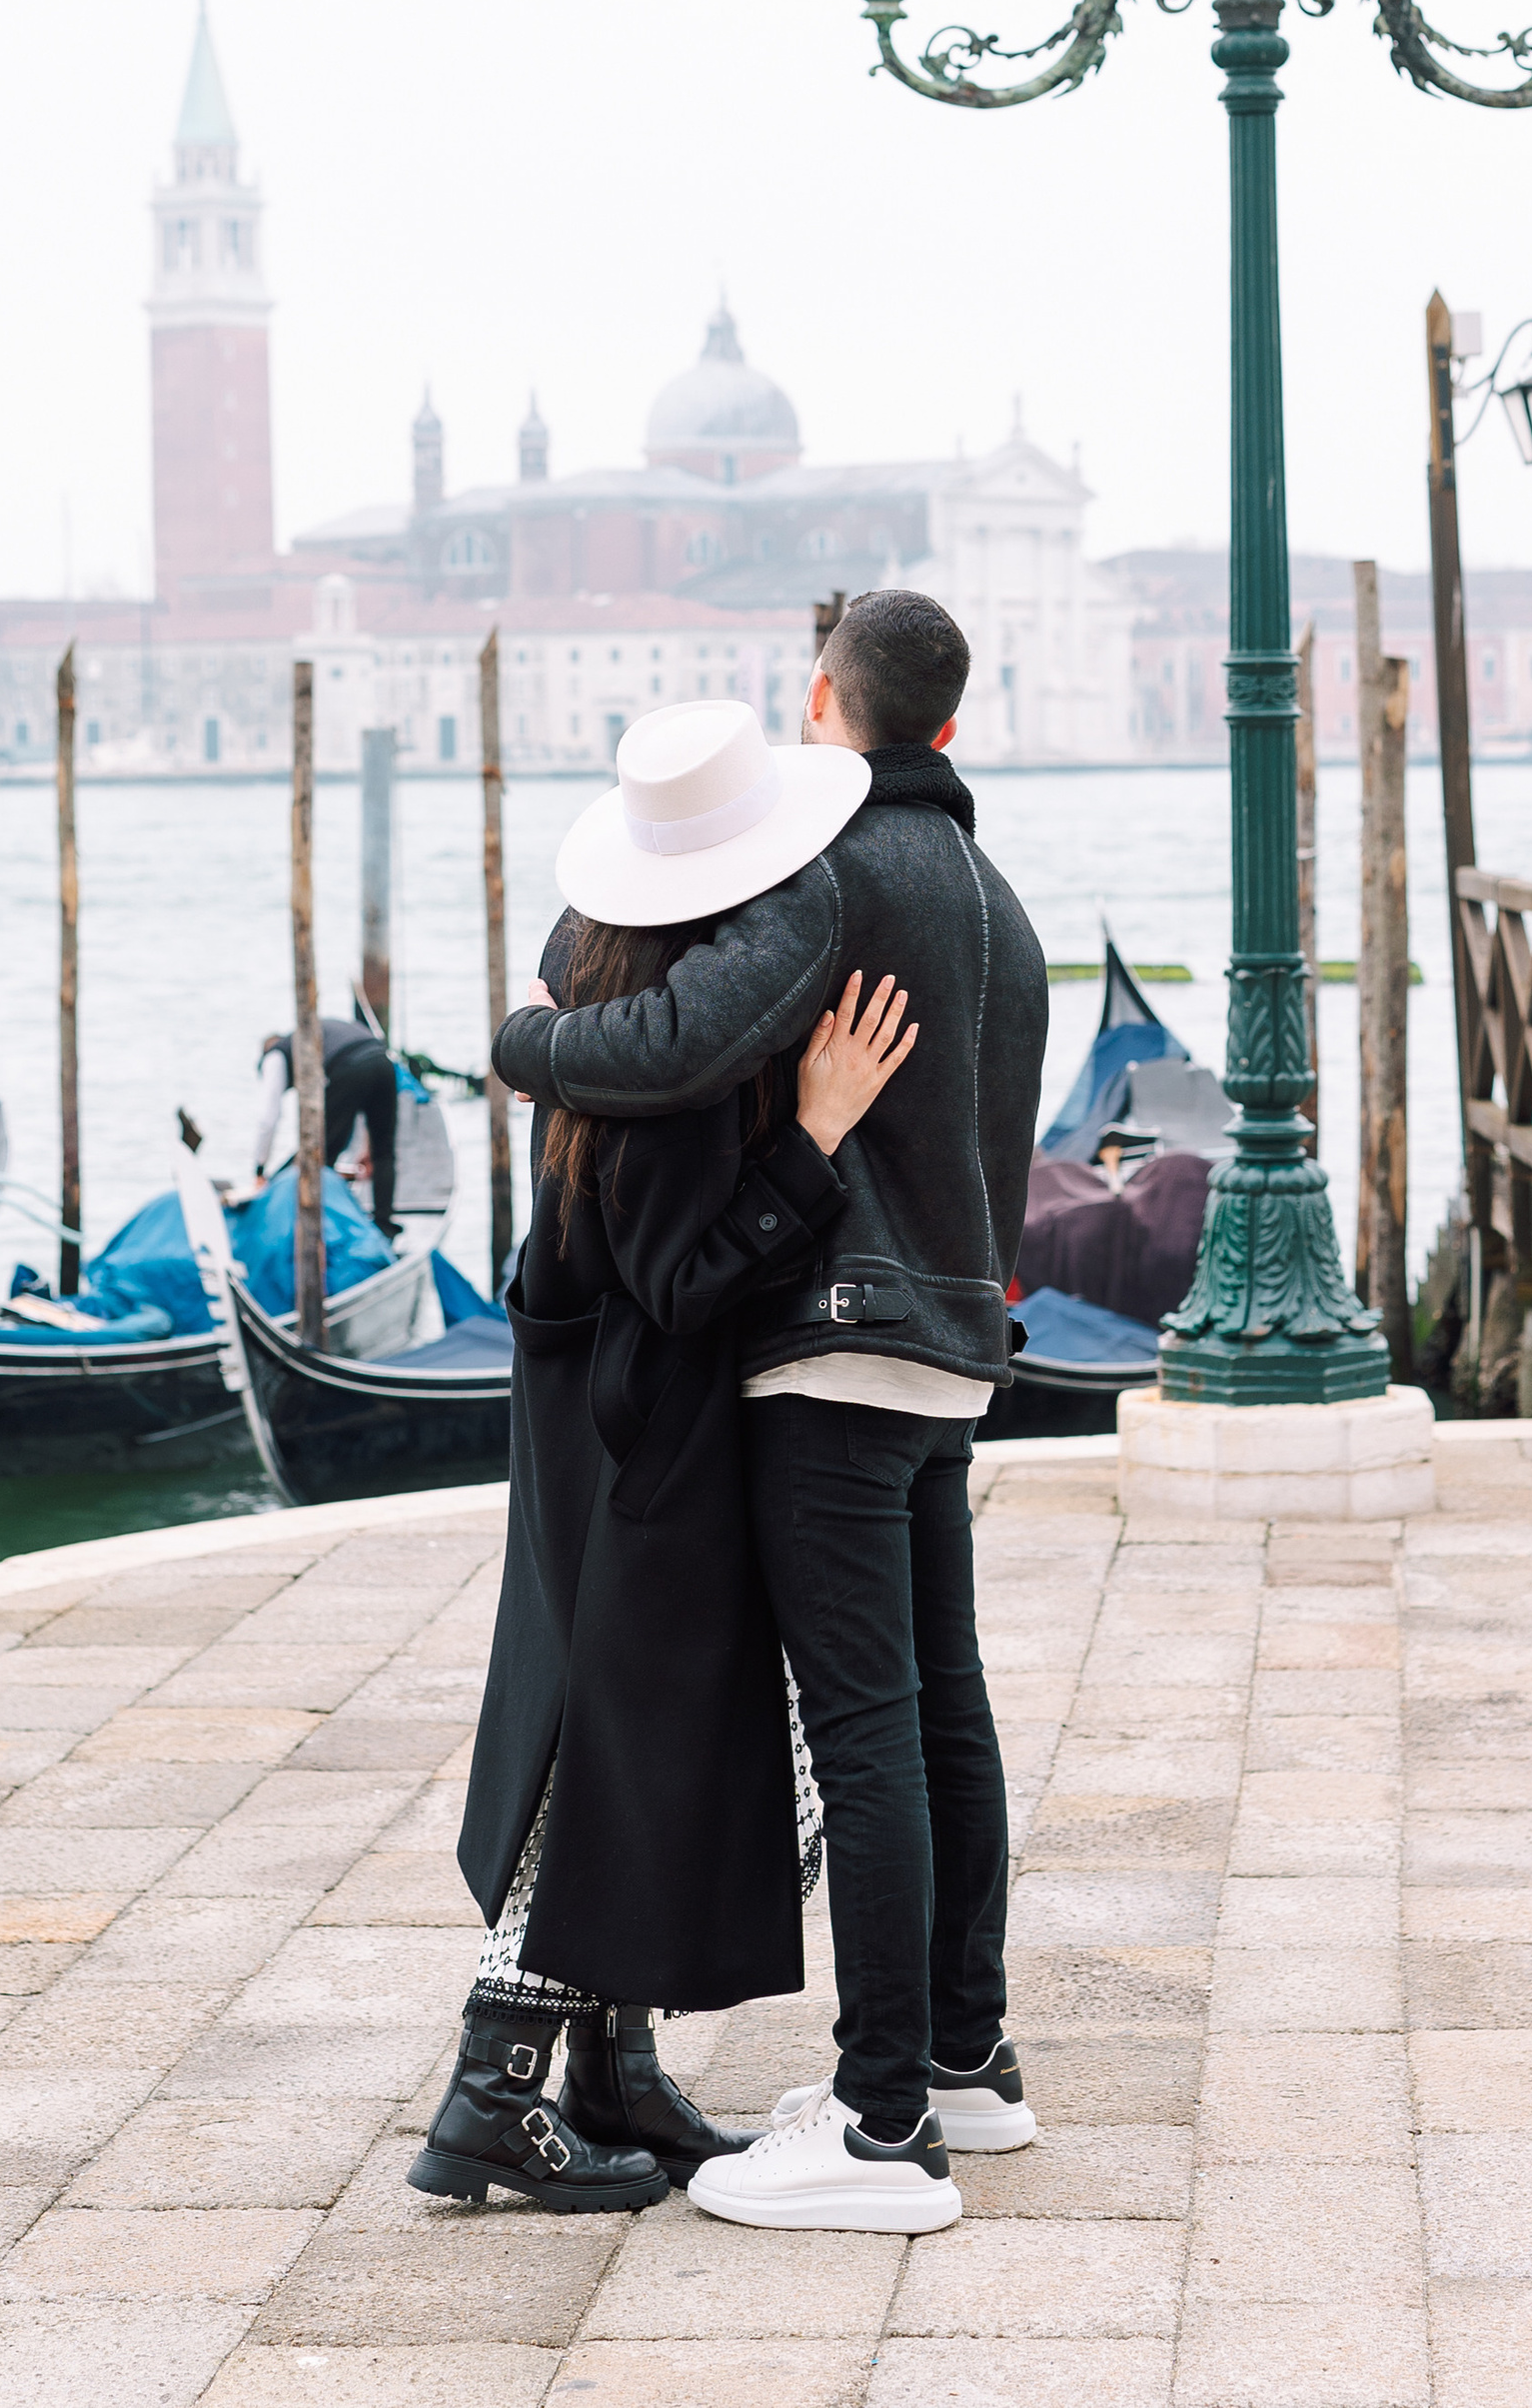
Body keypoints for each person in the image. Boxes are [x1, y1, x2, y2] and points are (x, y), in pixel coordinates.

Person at [494, 586, 1049, 2235]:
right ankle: (965, 2059)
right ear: (951, 720)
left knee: (866, 1726)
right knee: (944, 1708)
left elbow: (673, 1037)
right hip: (950, 1346)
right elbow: (996, 1152)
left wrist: (526, 1034)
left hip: (827, 1344)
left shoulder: (828, 875)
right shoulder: (997, 899)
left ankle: (880, 2129)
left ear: (826, 702)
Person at [412, 699, 917, 2214]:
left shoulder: (598, 989)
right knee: (623, 1761)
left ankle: (611, 2067)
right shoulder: (678, 1065)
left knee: (624, 1735)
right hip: (650, 1443)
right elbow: (688, 1281)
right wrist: (814, 1142)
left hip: (589, 1426)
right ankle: (490, 2098)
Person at [252, 1001, 400, 1229]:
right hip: (383, 1062)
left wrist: (260, 1171)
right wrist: (367, 1148)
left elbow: (268, 1118)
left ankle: (312, 1222)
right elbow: (360, 1102)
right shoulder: (316, 1037)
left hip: (350, 1066)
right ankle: (384, 1225)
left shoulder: (276, 1055)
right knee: (383, 1152)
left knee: (320, 1152)